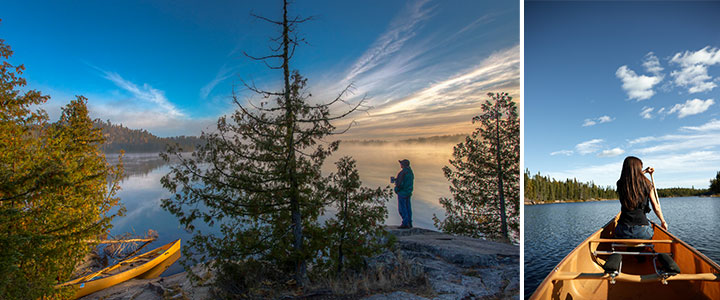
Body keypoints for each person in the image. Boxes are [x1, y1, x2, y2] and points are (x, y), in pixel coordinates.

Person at [615, 156, 668, 239]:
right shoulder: (647, 184)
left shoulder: (620, 183)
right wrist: (663, 221)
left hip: (622, 231)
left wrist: (645, 171)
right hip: (642, 232)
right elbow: (656, 207)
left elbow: (632, 178)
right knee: (649, 228)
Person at [391, 159, 414, 229]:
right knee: (408, 208)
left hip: (402, 193)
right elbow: (406, 182)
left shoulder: (402, 173)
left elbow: (400, 184)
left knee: (402, 209)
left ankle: (405, 223)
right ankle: (409, 223)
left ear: (403, 165)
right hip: (408, 192)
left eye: (401, 163)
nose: (400, 165)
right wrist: (396, 180)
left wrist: (396, 189)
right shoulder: (410, 172)